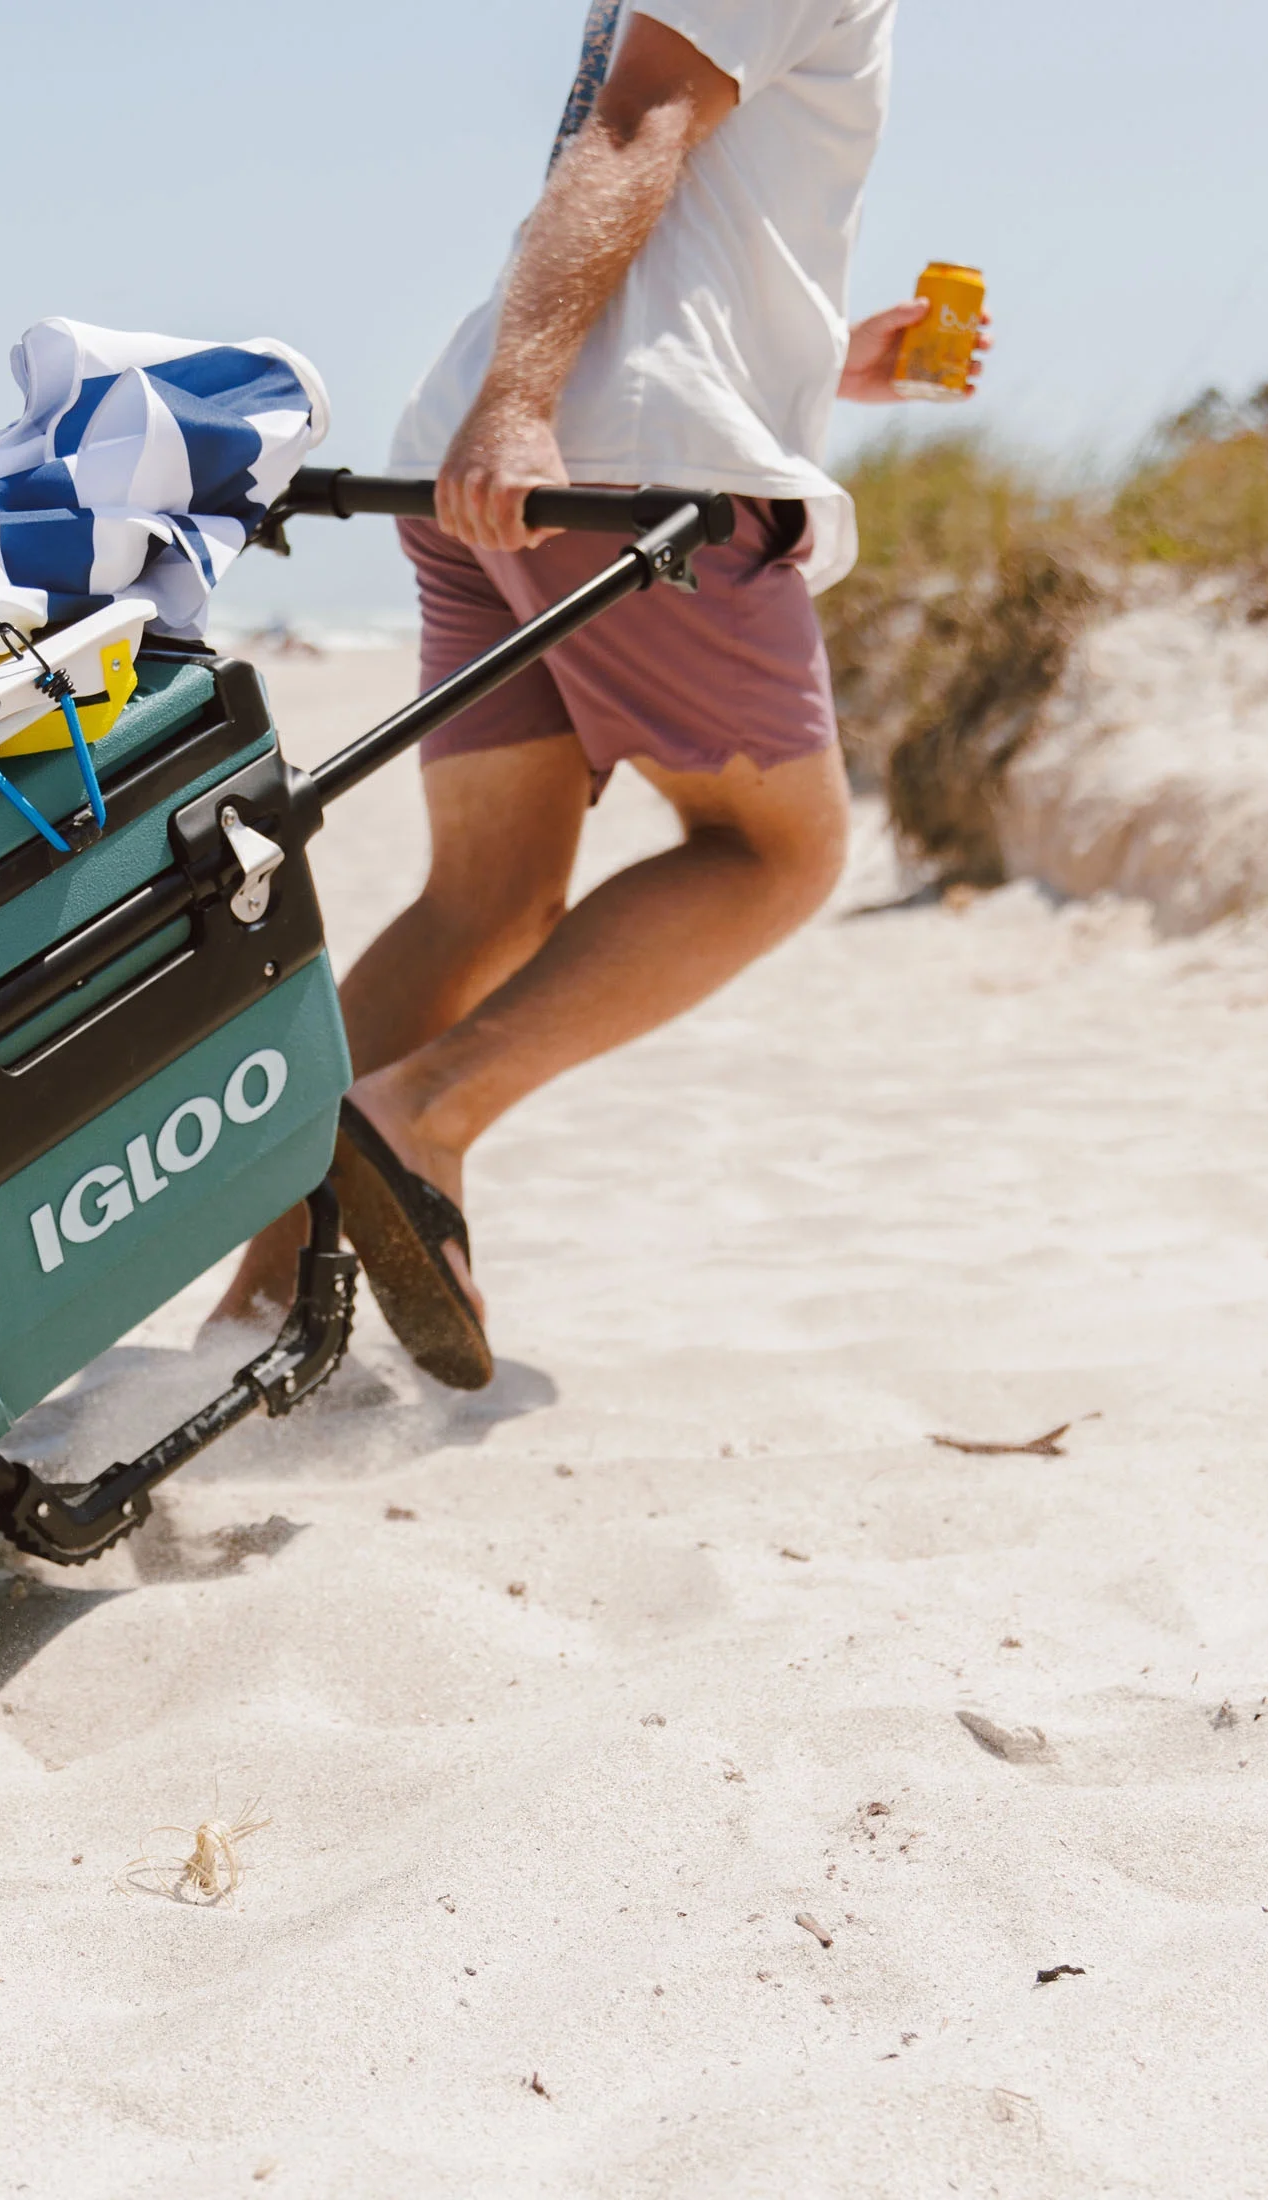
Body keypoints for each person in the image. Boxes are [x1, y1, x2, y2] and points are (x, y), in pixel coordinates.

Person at [213, 0, 988, 1387]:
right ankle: (426, 1113)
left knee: (485, 903)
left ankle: (257, 1320)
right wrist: (527, 402)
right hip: (619, 473)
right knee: (778, 852)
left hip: (488, 464)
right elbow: (632, 130)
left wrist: (812, 361)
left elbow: (673, 168)